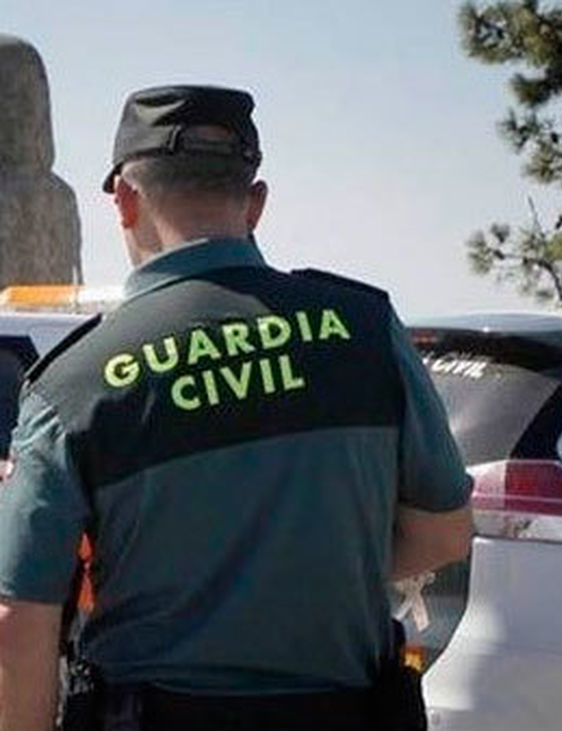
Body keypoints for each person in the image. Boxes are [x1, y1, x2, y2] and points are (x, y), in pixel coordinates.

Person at [0, 85, 473, 731]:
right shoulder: (365, 328)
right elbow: (444, 533)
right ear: (255, 203)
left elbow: (19, 616)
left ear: (125, 200)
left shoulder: (74, 382)